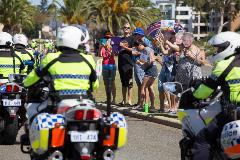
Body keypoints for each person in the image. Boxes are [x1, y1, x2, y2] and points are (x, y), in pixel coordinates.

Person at [23, 25, 99, 121]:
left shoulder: (50, 58)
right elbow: (95, 85)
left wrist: (25, 83)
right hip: (84, 101)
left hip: (58, 101)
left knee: (34, 113)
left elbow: (30, 80)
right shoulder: (89, 59)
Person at [185, 31, 240, 160]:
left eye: (220, 48)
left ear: (231, 47)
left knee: (202, 140)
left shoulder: (224, 65)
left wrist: (193, 94)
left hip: (233, 114)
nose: (217, 51)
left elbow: (205, 91)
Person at [133, 39, 158, 110]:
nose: (137, 48)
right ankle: (151, 106)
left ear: (141, 45)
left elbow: (152, 59)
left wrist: (145, 62)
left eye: (138, 46)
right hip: (149, 69)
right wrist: (139, 62)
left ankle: (142, 106)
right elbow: (143, 61)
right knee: (149, 87)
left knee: (143, 87)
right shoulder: (141, 51)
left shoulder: (147, 49)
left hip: (151, 69)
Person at [132, 28, 152, 107]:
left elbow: (150, 50)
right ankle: (139, 102)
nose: (135, 36)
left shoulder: (145, 41)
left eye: (136, 34)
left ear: (140, 35)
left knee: (143, 85)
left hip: (142, 66)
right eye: (134, 34)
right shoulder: (135, 42)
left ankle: (144, 104)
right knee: (139, 85)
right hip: (136, 65)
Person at [118, 22, 134, 106]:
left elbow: (133, 50)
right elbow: (116, 50)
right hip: (121, 62)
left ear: (130, 29)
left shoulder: (132, 39)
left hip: (128, 63)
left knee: (129, 83)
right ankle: (123, 100)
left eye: (128, 28)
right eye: (124, 27)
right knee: (123, 83)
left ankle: (129, 100)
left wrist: (124, 47)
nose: (126, 29)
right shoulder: (120, 39)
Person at [100, 32, 116, 104]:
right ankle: (108, 98)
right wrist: (102, 47)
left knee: (112, 82)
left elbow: (113, 54)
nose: (107, 39)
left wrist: (108, 48)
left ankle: (114, 99)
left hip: (111, 65)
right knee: (106, 83)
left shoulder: (113, 46)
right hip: (105, 65)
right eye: (106, 38)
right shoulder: (103, 46)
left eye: (109, 38)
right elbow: (101, 55)